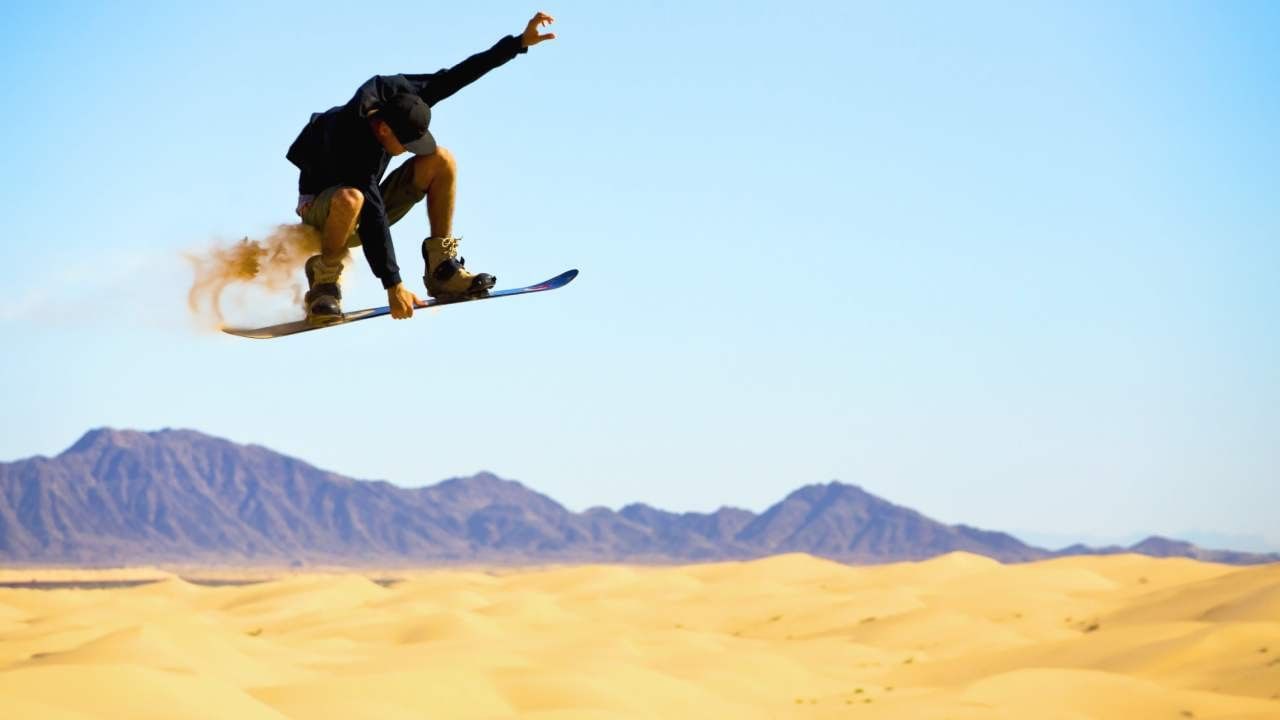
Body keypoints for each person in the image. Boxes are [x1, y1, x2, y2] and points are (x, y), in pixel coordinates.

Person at [285, 12, 556, 324]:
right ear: (384, 130)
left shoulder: (400, 97)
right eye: (407, 145)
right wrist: (394, 284)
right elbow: (372, 217)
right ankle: (325, 282)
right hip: (321, 212)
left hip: (363, 201)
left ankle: (442, 269)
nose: (408, 153)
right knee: (352, 199)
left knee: (442, 159)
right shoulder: (351, 137)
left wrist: (518, 43)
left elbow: (455, 77)